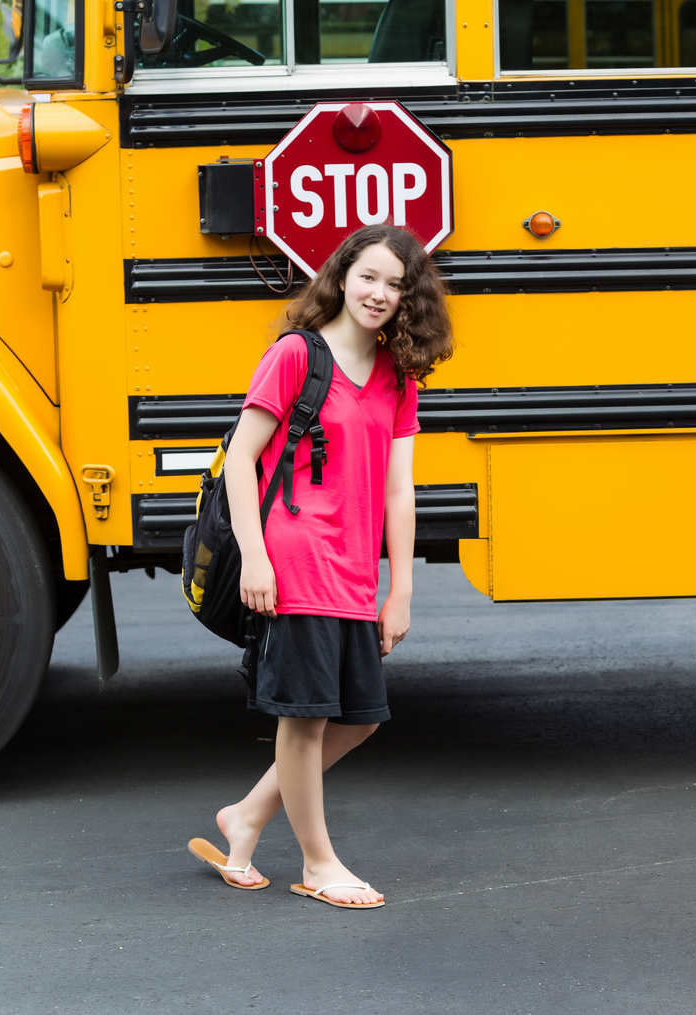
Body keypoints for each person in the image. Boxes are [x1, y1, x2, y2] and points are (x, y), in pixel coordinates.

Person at [191, 224, 453, 908]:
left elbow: (400, 489)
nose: (380, 293)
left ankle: (245, 815)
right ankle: (317, 862)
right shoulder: (294, 356)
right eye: (369, 276)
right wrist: (255, 555)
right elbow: (242, 460)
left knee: (359, 715)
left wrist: (401, 590)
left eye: (397, 285)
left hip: (355, 568)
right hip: (295, 555)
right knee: (304, 717)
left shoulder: (397, 377)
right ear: (341, 276)